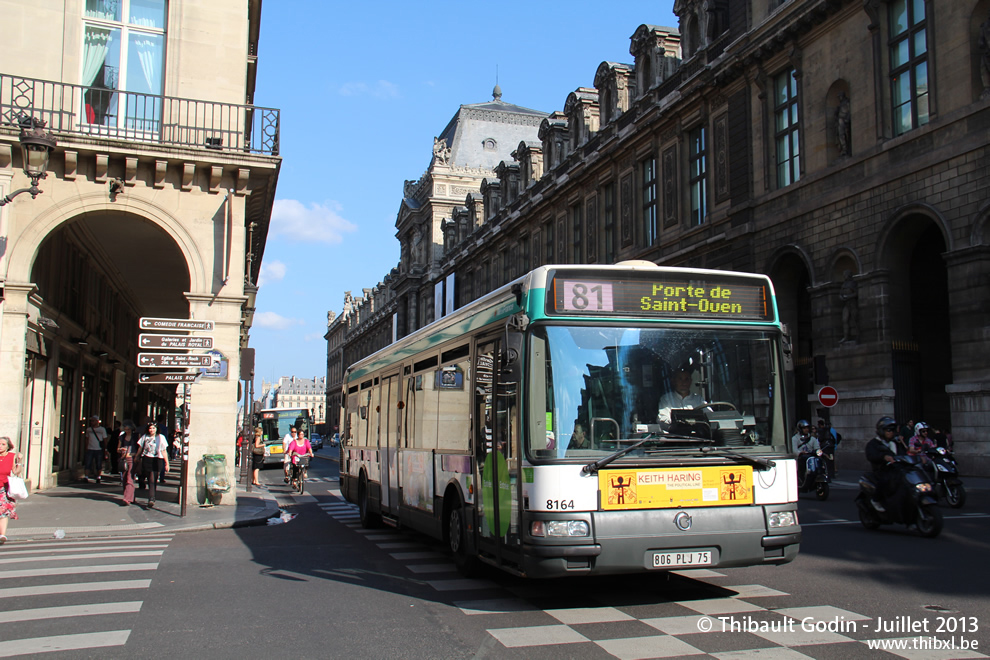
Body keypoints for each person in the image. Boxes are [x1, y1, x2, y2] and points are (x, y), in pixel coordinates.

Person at [865, 416, 899, 512]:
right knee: (885, 479)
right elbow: (871, 455)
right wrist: (883, 457)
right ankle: (876, 500)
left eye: (892, 430)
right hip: (881, 469)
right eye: (888, 430)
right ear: (881, 430)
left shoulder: (896, 443)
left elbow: (904, 453)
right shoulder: (874, 444)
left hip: (897, 469)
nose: (891, 432)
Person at [138, 422, 169, 508]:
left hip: (157, 459)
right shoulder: (144, 437)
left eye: (153, 428)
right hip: (147, 458)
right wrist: (137, 456)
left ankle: (151, 498)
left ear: (156, 429)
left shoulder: (161, 437)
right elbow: (141, 448)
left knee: (153, 479)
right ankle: (152, 496)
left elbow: (163, 450)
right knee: (150, 479)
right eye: (150, 428)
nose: (151, 430)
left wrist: (167, 463)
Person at [0, 436, 23, 545]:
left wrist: (19, 461)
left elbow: (16, 472)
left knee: (3, 511)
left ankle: (2, 535)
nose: (0, 446)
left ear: (8, 446)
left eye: (3, 444)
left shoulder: (11, 457)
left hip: (3, 488)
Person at [117, 420, 139, 506]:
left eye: (129, 429)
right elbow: (117, 448)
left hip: (132, 459)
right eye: (125, 429)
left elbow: (139, 447)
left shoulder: (136, 436)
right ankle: (131, 497)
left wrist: (137, 455)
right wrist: (121, 449)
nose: (127, 431)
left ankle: (126, 498)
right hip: (124, 459)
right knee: (125, 478)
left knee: (130, 478)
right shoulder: (122, 437)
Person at [792, 421, 820, 485]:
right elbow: (794, 450)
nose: (806, 429)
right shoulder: (795, 438)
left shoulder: (812, 439)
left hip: (810, 456)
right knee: (801, 464)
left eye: (807, 428)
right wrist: (800, 453)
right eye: (804, 428)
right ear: (800, 429)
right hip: (800, 458)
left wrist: (818, 451)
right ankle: (800, 479)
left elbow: (817, 448)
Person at [83, 415, 108, 484]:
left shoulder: (102, 429)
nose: (92, 422)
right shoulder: (89, 429)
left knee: (98, 463)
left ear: (97, 421)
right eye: (91, 421)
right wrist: (86, 447)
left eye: (93, 421)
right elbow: (87, 439)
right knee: (88, 463)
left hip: (99, 449)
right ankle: (86, 477)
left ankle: (98, 477)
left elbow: (105, 439)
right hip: (90, 448)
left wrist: (105, 448)